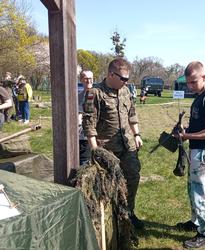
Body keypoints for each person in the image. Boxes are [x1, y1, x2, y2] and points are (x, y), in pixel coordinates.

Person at [82, 58, 144, 229]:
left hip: (127, 145)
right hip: (107, 150)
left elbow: (132, 113)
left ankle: (128, 213)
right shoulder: (95, 93)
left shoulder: (126, 91)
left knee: (133, 177)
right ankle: (110, 218)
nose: (126, 82)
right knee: (107, 184)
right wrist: (95, 150)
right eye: (123, 78)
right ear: (111, 74)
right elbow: (89, 123)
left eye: (127, 79)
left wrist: (137, 134)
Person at [175, 61, 205, 249]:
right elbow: (199, 124)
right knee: (193, 190)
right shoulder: (199, 96)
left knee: (203, 193)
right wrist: (185, 130)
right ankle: (196, 222)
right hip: (197, 150)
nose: (190, 86)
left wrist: (186, 135)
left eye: (193, 82)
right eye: (188, 82)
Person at [78, 70, 93, 166]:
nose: (89, 81)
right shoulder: (79, 97)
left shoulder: (98, 94)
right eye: (86, 78)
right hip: (83, 136)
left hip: (96, 134)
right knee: (83, 161)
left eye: (91, 78)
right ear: (81, 80)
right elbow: (78, 114)